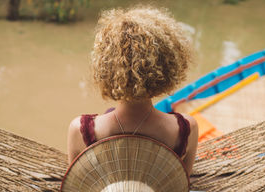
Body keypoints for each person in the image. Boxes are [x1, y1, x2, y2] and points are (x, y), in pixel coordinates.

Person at [67, 6, 198, 174]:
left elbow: (76, 185)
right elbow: (182, 186)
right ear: (167, 66)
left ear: (105, 68)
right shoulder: (186, 129)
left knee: (109, 112)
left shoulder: (80, 130)